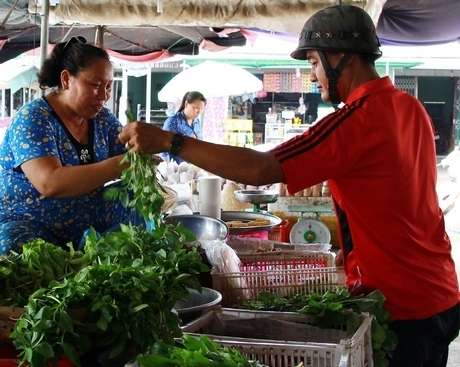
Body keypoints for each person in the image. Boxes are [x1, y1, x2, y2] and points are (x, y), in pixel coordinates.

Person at [120, 5, 460, 366]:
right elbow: (399, 194)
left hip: (401, 305)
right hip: (441, 291)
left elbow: (260, 168)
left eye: (313, 61)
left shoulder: (355, 121)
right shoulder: (410, 107)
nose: (312, 75)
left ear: (339, 56)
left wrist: (171, 141)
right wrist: (359, 249)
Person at [0, 36, 132, 254]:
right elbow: (49, 182)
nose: (103, 96)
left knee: (135, 199)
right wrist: (118, 166)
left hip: (87, 222)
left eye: (108, 86)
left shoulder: (101, 119)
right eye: (95, 85)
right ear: (66, 79)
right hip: (30, 224)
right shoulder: (33, 118)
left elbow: (129, 151)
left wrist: (146, 149)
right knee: (16, 251)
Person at [161, 91, 206, 163]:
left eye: (201, 108)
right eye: (196, 108)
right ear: (186, 104)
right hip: (177, 169)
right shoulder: (173, 121)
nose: (199, 112)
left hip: (194, 166)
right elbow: (163, 148)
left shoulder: (197, 122)